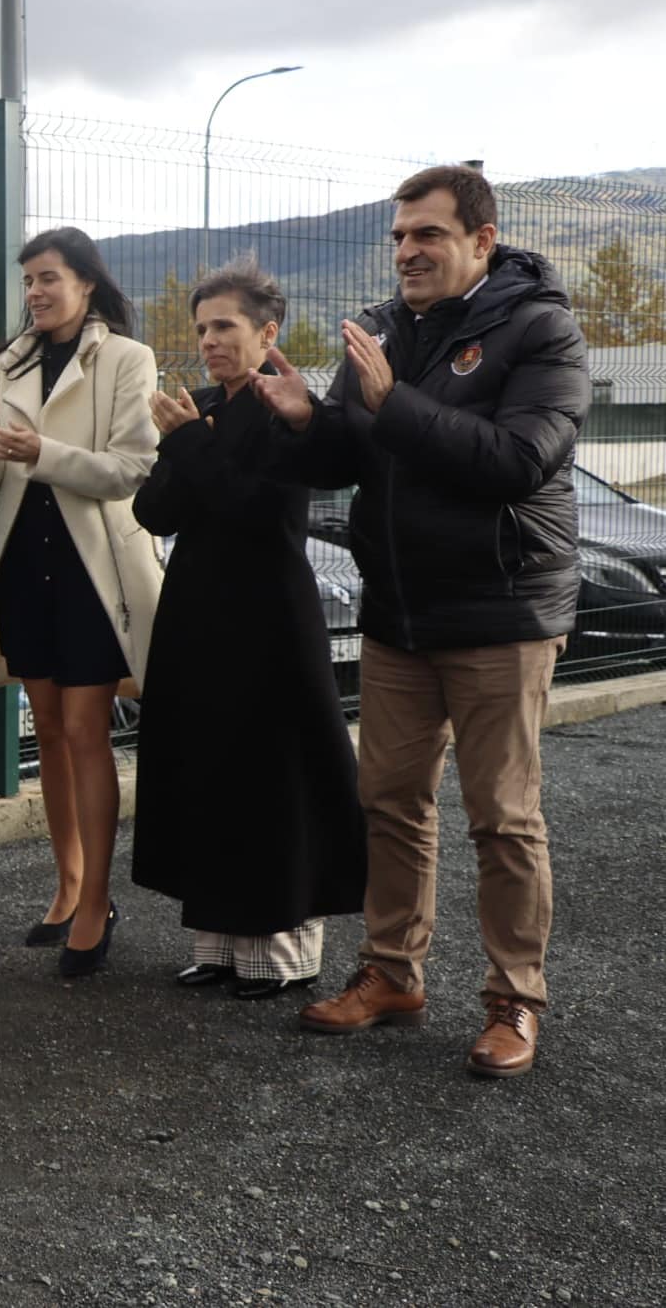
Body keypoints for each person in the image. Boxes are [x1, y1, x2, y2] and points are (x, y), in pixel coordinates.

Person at [252, 164, 591, 1077]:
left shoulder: (540, 329)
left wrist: (390, 403)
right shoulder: (383, 326)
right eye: (399, 235)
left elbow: (517, 460)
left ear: (481, 241)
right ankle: (394, 971)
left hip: (500, 609)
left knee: (502, 815)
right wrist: (303, 424)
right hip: (399, 610)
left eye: (427, 235)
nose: (406, 251)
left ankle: (515, 999)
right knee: (389, 801)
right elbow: (350, 448)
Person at [129, 257, 366, 999]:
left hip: (269, 621)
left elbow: (260, 513)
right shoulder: (198, 408)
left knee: (272, 779)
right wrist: (177, 444)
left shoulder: (289, 411)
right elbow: (153, 513)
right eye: (201, 328)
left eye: (225, 325)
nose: (209, 340)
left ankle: (282, 953)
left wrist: (191, 447)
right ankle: (219, 942)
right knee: (209, 771)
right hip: (199, 617)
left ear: (268, 332)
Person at [0, 226, 160, 978]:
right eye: (28, 281)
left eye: (48, 278)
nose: (35, 293)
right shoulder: (10, 362)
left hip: (91, 567)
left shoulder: (127, 359)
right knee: (46, 725)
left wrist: (41, 453)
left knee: (83, 729)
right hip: (23, 565)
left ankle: (98, 898)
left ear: (87, 284)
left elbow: (129, 469)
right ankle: (68, 883)